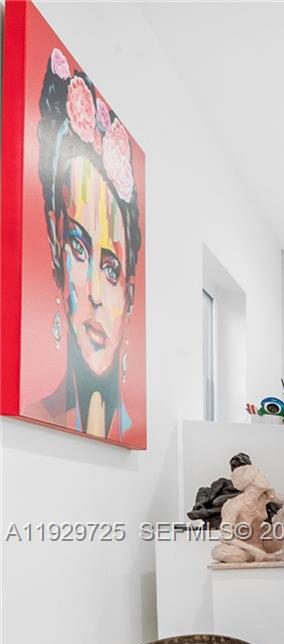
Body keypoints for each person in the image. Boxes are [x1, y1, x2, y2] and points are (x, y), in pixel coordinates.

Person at [23, 48, 143, 441]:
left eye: (110, 268)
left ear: (128, 295)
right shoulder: (35, 413)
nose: (93, 292)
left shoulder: (132, 430)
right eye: (78, 247)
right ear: (57, 252)